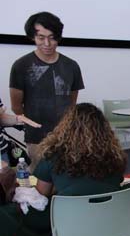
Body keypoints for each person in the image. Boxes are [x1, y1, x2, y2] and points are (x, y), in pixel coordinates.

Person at [35, 103, 127, 236]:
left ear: (66, 126)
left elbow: (40, 194)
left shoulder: (52, 156)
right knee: (92, 221)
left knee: (81, 221)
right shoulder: (115, 157)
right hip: (110, 232)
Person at [10, 11, 84, 172]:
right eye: (41, 38)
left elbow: (72, 103)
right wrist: (32, 126)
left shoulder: (71, 66)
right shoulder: (21, 66)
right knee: (39, 182)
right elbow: (16, 107)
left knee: (66, 178)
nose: (47, 43)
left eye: (52, 37)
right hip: (37, 139)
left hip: (66, 137)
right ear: (32, 37)